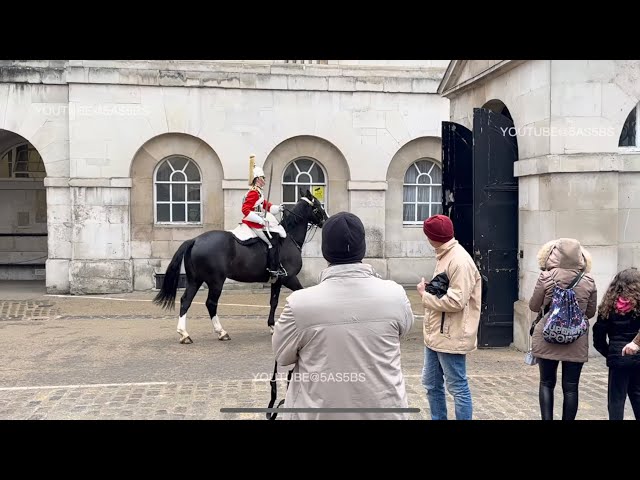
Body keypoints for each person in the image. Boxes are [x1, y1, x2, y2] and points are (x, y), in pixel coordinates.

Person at [271, 212, 415, 420]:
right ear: (362, 247)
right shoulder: (396, 294)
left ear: (325, 251)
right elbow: (403, 331)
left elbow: (283, 356)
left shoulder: (299, 303)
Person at [417, 214, 482, 420]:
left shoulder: (459, 260)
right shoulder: (446, 254)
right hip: (437, 332)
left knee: (457, 387)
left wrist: (424, 295)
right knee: (431, 383)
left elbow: (456, 302)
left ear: (433, 237)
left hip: (452, 334)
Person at [528, 238, 597, 420]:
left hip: (547, 336)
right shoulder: (588, 280)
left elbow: (534, 306)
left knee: (546, 383)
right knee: (571, 387)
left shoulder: (546, 277)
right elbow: (590, 312)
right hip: (576, 339)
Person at [592, 267, 640, 420]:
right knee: (638, 395)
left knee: (616, 400)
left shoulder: (608, 305)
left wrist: (612, 353)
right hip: (638, 357)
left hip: (617, 359)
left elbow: (598, 338)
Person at [242, 159, 286, 279]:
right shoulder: (253, 193)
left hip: (259, 220)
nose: (265, 180)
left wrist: (278, 208)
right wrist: (259, 220)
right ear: (257, 179)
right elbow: (245, 210)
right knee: (271, 243)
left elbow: (266, 205)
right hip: (254, 222)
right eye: (263, 178)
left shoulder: (258, 192)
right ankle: (273, 270)